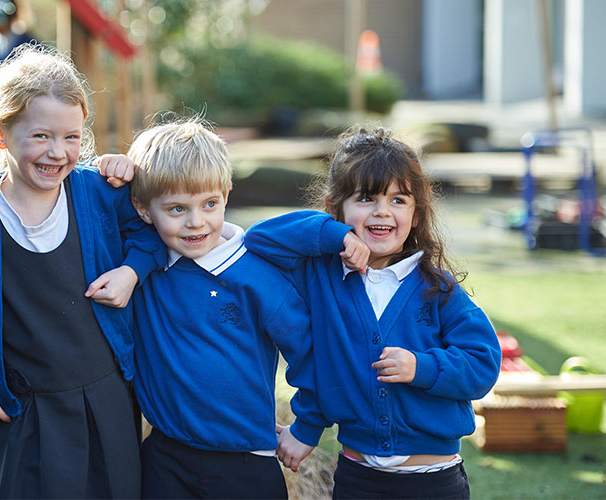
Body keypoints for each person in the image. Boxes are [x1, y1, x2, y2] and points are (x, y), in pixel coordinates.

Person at [0, 44, 165, 499]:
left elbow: (152, 229)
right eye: (41, 136)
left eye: (72, 137)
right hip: (25, 408)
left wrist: (131, 272)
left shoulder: (100, 192)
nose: (57, 152)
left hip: (108, 398)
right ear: (0, 134)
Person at [244, 127, 501, 499]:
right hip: (358, 478)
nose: (382, 211)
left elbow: (483, 362)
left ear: (416, 216)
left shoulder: (437, 288)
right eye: (366, 198)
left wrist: (421, 367)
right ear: (336, 208)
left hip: (433, 479)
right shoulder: (321, 276)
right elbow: (260, 238)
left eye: (399, 200)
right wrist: (336, 236)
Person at [112, 119, 341, 499]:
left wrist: (308, 426)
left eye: (209, 204)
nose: (195, 222)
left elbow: (309, 351)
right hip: (165, 457)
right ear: (143, 210)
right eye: (176, 208)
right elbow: (93, 206)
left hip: (246, 463)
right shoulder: (142, 268)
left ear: (226, 195)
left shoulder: (255, 273)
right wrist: (111, 167)